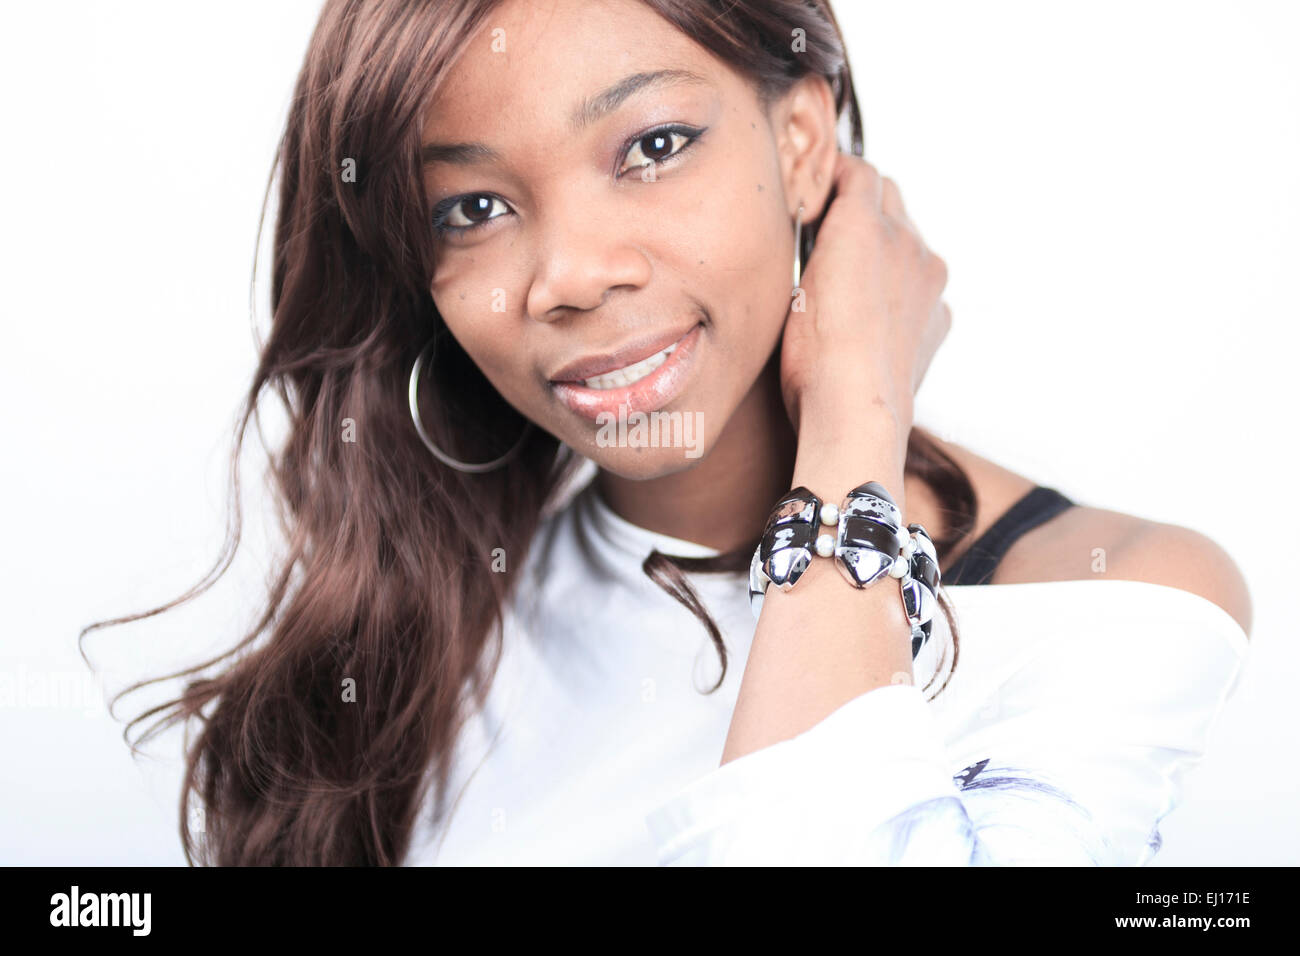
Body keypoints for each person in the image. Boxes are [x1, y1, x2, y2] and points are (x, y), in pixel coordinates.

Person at [94, 0, 1252, 866]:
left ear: (802, 143)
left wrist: (854, 418)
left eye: (649, 147)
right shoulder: (429, 618)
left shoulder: (1115, 602)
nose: (569, 276)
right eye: (474, 208)